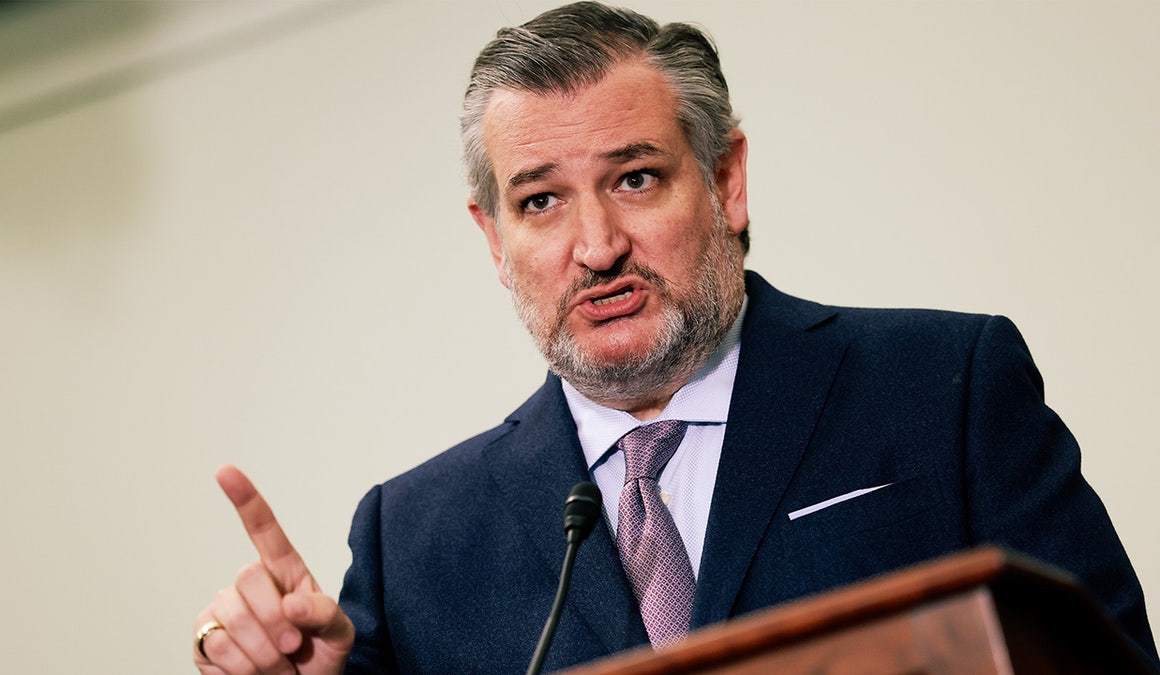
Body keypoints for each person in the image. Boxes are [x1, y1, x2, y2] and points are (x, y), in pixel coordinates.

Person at [193, 3, 1158, 673]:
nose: (598, 246)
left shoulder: (943, 388)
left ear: (727, 181)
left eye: (637, 178)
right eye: (540, 201)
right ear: (494, 238)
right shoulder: (416, 542)